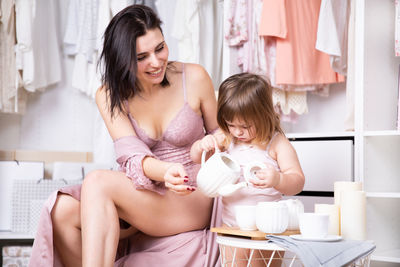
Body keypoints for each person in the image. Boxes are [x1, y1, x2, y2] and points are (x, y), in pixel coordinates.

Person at [29, 5, 221, 267]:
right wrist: (165, 172)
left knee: (97, 182)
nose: (156, 62)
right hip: (148, 194)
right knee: (61, 209)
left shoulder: (195, 76)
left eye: (160, 48)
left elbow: (222, 133)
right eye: (142, 56)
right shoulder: (109, 95)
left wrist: (215, 143)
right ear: (122, 60)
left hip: (194, 194)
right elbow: (132, 156)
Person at [190, 73, 305, 266]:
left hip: (268, 230)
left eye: (244, 126)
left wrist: (278, 180)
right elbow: (195, 158)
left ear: (264, 115)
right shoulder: (227, 139)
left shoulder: (276, 143)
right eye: (230, 124)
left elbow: (298, 181)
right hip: (233, 227)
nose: (237, 131)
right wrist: (202, 145)